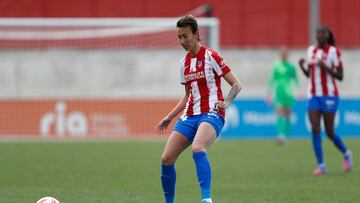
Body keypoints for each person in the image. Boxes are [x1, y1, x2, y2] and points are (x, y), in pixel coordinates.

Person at [156, 15, 242, 203]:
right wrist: (169, 117)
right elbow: (188, 95)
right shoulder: (183, 63)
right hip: (190, 115)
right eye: (179, 37)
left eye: (185, 36)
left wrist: (227, 101)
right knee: (166, 159)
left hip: (212, 113)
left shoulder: (212, 56)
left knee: (197, 147)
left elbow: (236, 84)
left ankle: (206, 199)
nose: (182, 41)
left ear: (196, 34)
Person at [298, 25, 353, 175]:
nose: (320, 35)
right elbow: (310, 74)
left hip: (329, 95)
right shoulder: (311, 51)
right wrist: (303, 66)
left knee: (329, 132)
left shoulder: (334, 52)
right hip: (313, 95)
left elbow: (340, 76)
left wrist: (325, 67)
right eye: (318, 33)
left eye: (323, 33)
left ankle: (347, 153)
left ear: (327, 35)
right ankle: (321, 165)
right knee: (315, 127)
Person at [266, 47, 300, 144]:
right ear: (280, 54)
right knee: (279, 113)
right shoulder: (276, 66)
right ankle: (280, 135)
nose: (284, 55)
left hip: (289, 93)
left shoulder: (291, 67)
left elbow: (296, 79)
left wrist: (299, 90)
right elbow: (271, 79)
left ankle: (285, 135)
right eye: (283, 54)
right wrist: (268, 92)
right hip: (279, 93)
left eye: (286, 54)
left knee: (288, 115)